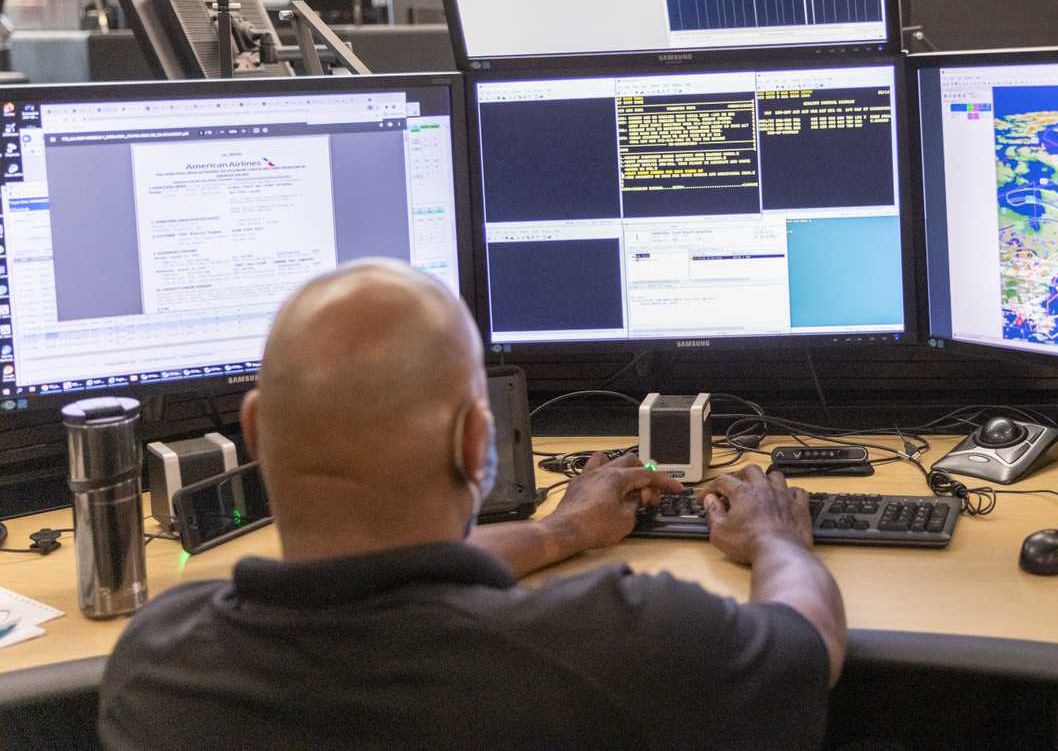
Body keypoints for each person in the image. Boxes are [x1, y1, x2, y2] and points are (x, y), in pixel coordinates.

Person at [99, 260, 847, 751]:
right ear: (475, 442)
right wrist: (776, 540)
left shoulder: (155, 661)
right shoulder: (620, 644)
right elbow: (809, 648)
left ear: (256, 434)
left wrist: (563, 529)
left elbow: (379, 573)